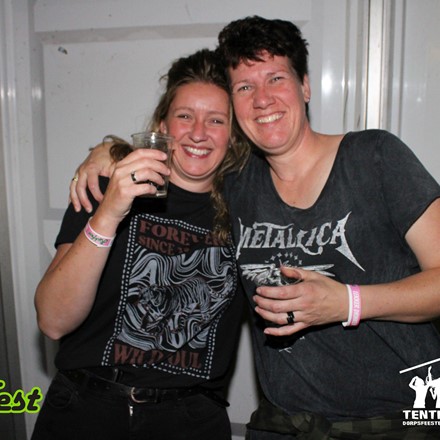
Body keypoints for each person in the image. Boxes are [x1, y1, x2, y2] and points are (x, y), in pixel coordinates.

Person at [71, 16, 440, 439]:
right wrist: (109, 152)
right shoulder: (236, 183)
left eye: (275, 79)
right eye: (245, 87)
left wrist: (348, 303)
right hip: (283, 424)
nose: (262, 99)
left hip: (397, 419)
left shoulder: (374, 157)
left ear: (305, 86)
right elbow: (182, 150)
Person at [32, 48, 250, 440]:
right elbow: (52, 320)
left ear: (233, 134)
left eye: (216, 120)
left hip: (190, 420)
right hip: (84, 409)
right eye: (185, 116)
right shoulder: (108, 185)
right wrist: (108, 213)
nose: (199, 132)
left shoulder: (250, 208)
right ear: (163, 124)